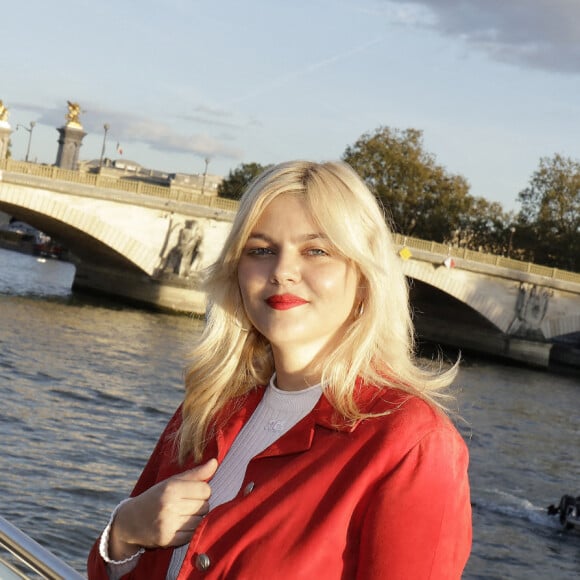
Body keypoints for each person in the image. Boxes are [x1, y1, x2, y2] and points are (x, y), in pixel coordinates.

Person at [88, 160, 472, 579]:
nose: (282, 271)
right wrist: (125, 532)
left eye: (316, 251)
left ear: (364, 278)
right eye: (261, 250)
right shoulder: (210, 403)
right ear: (236, 273)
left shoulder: (411, 444)